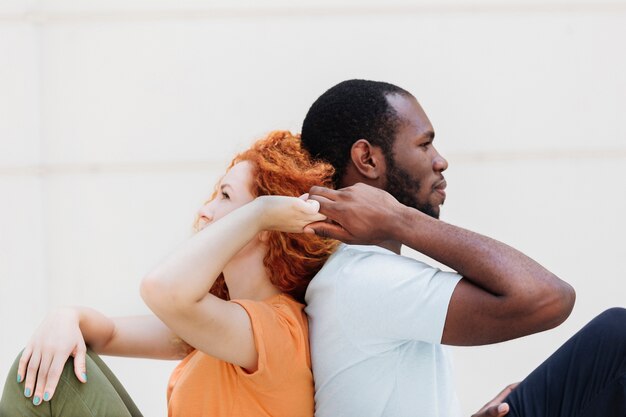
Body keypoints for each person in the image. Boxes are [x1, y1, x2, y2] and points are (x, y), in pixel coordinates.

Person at [299, 79, 626, 417]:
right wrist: (399, 219)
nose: (440, 161)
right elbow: (549, 298)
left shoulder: (357, 275)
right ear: (367, 159)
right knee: (617, 339)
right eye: (424, 145)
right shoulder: (363, 277)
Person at [0, 130, 338, 417]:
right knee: (47, 364)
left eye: (225, 196)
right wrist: (65, 317)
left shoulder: (277, 330)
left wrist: (262, 212)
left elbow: (161, 289)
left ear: (267, 227)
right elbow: (109, 333)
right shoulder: (215, 325)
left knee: (34, 376)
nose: (205, 210)